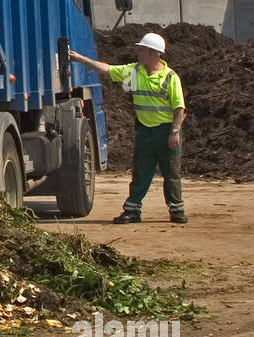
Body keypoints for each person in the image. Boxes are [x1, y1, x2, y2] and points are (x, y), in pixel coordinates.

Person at [69, 32, 187, 224]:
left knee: (171, 173)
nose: (137, 52)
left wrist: (174, 132)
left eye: (141, 49)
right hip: (145, 132)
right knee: (141, 173)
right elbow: (107, 70)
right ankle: (132, 211)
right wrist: (81, 59)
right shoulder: (134, 71)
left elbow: (179, 108)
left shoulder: (170, 77)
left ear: (152, 53)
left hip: (166, 131)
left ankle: (176, 210)